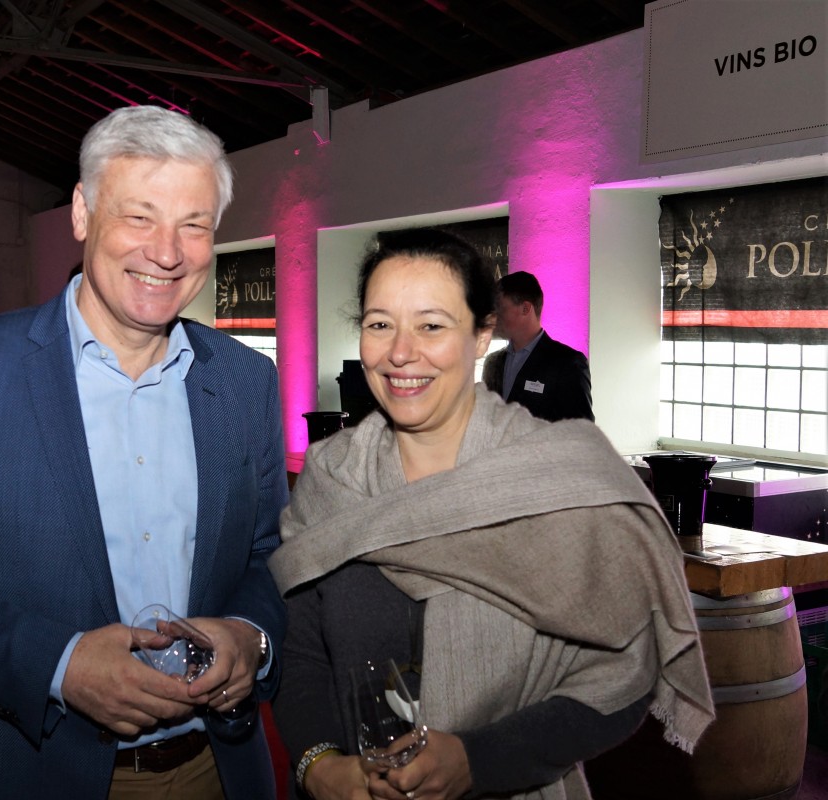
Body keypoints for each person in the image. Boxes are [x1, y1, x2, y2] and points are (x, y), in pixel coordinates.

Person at [0, 105, 287, 799]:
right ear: (83, 213)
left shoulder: (246, 381)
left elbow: (270, 553)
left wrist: (249, 635)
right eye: (140, 217)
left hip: (216, 768)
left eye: (194, 225)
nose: (167, 253)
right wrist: (60, 665)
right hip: (34, 770)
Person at [268, 228, 713, 800]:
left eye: (431, 325)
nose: (400, 352)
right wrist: (320, 765)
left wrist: (479, 760)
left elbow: (623, 672)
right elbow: (301, 650)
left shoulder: (557, 479)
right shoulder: (331, 478)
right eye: (380, 324)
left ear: (481, 334)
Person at [481, 271, 594, 422]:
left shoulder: (567, 363)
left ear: (525, 309)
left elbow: (580, 431)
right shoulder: (493, 362)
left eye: (500, 309)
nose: (492, 317)